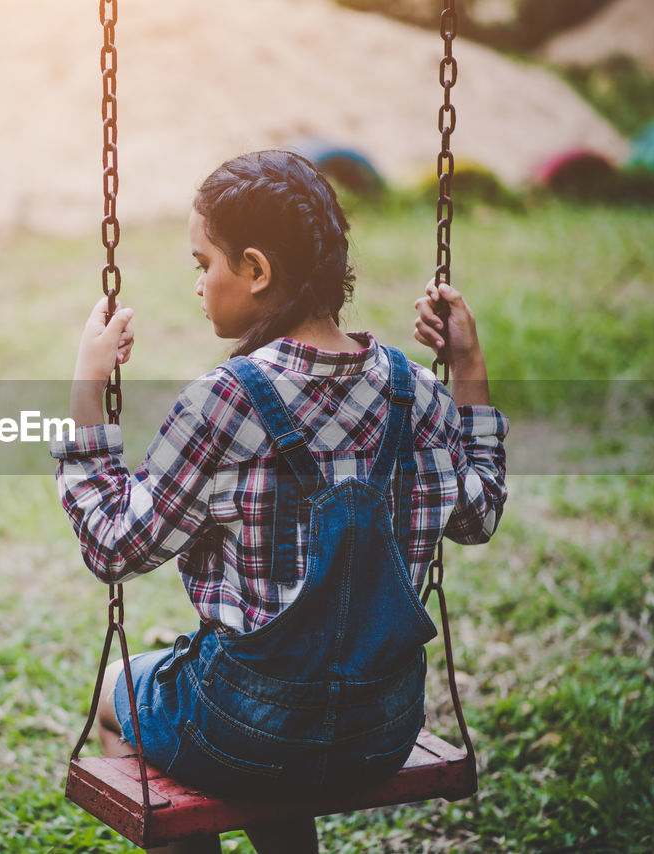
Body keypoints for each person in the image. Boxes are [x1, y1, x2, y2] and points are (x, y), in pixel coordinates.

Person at [51, 150, 508, 854]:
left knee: (123, 692)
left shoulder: (225, 400)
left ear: (258, 271)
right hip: (381, 728)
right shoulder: (415, 391)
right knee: (273, 740)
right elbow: (479, 516)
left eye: (205, 264)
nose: (198, 285)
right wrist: (469, 367)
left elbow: (115, 547)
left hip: (243, 728)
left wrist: (87, 388)